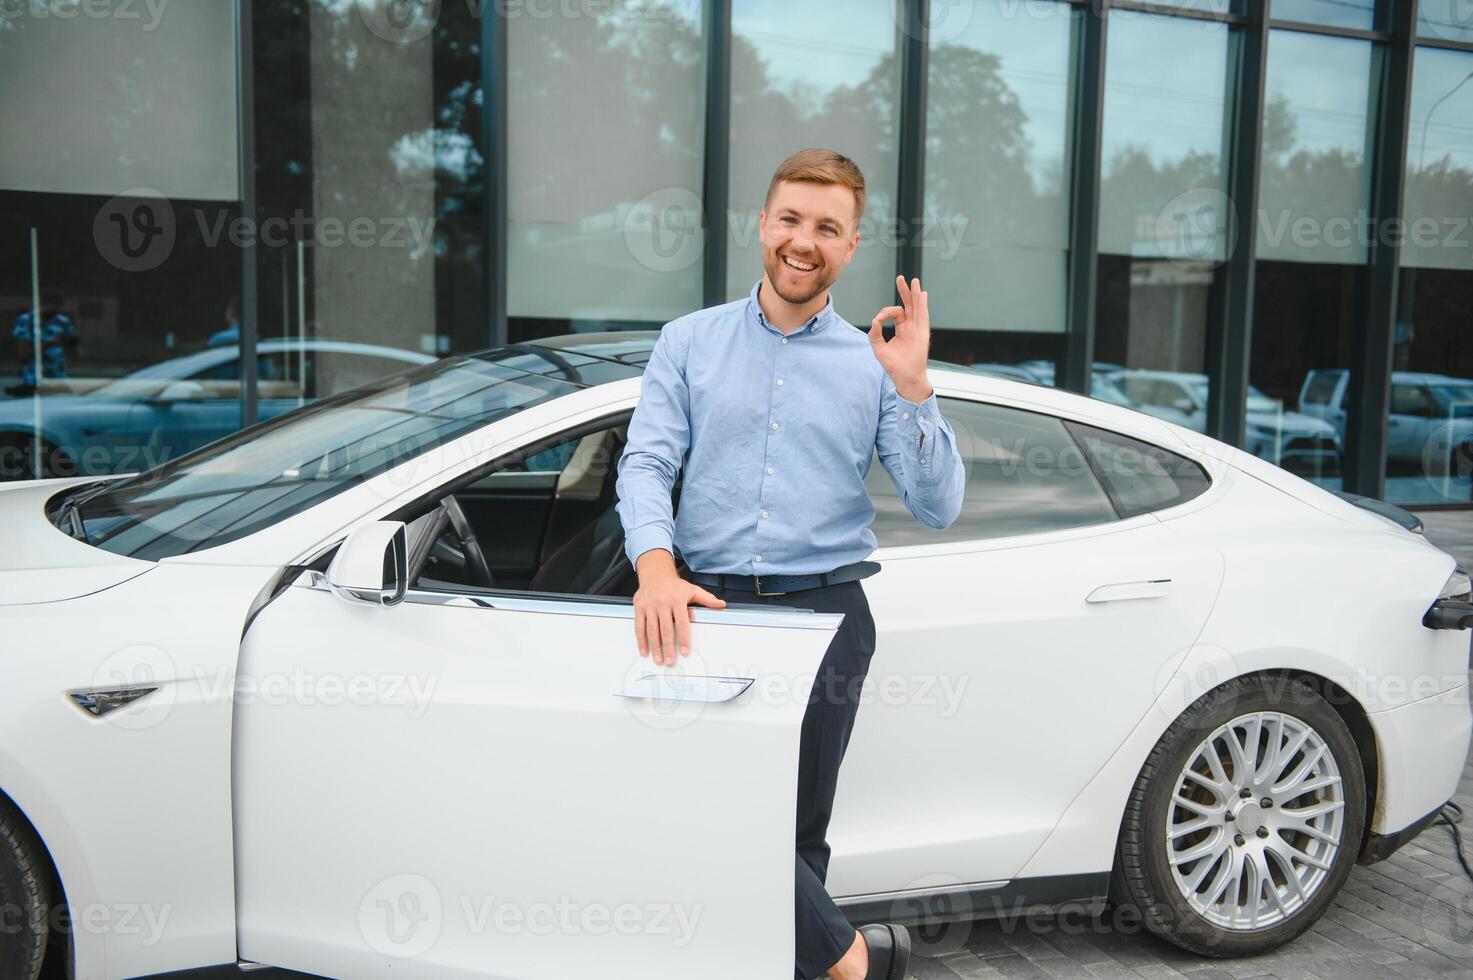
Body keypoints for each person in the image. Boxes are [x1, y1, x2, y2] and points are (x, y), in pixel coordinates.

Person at [614, 148, 967, 980]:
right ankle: (851, 963)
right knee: (696, 810)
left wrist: (914, 389)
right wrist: (654, 568)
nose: (803, 241)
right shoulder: (688, 342)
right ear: (761, 225)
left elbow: (937, 506)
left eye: (826, 228)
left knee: (799, 826)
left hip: (826, 616)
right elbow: (645, 464)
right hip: (702, 608)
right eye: (790, 220)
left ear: (850, 246)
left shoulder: (874, 364)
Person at [12, 289, 78, 390]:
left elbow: (73, 350)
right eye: (52, 306)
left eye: (58, 307)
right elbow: (23, 355)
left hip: (57, 380)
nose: (55, 310)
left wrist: (73, 347)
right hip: (33, 380)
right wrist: (50, 343)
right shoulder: (26, 320)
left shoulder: (63, 321)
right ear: (41, 304)